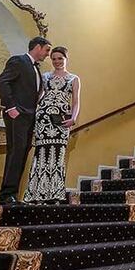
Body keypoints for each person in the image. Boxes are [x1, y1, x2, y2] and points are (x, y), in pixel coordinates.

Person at [0, 36, 51, 205]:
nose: (47, 54)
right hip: (18, 114)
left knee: (21, 153)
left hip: (29, 116)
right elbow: (2, 82)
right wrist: (11, 107)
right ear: (37, 47)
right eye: (47, 50)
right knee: (16, 152)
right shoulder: (18, 61)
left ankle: (11, 194)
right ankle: (7, 194)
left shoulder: (36, 69)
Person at [24, 46, 81, 203]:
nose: (57, 61)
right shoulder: (45, 76)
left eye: (60, 58)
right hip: (43, 119)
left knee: (58, 155)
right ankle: (36, 194)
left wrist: (73, 118)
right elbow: (38, 97)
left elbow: (76, 102)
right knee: (41, 153)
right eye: (54, 58)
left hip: (61, 121)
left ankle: (54, 194)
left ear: (66, 59)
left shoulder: (74, 79)